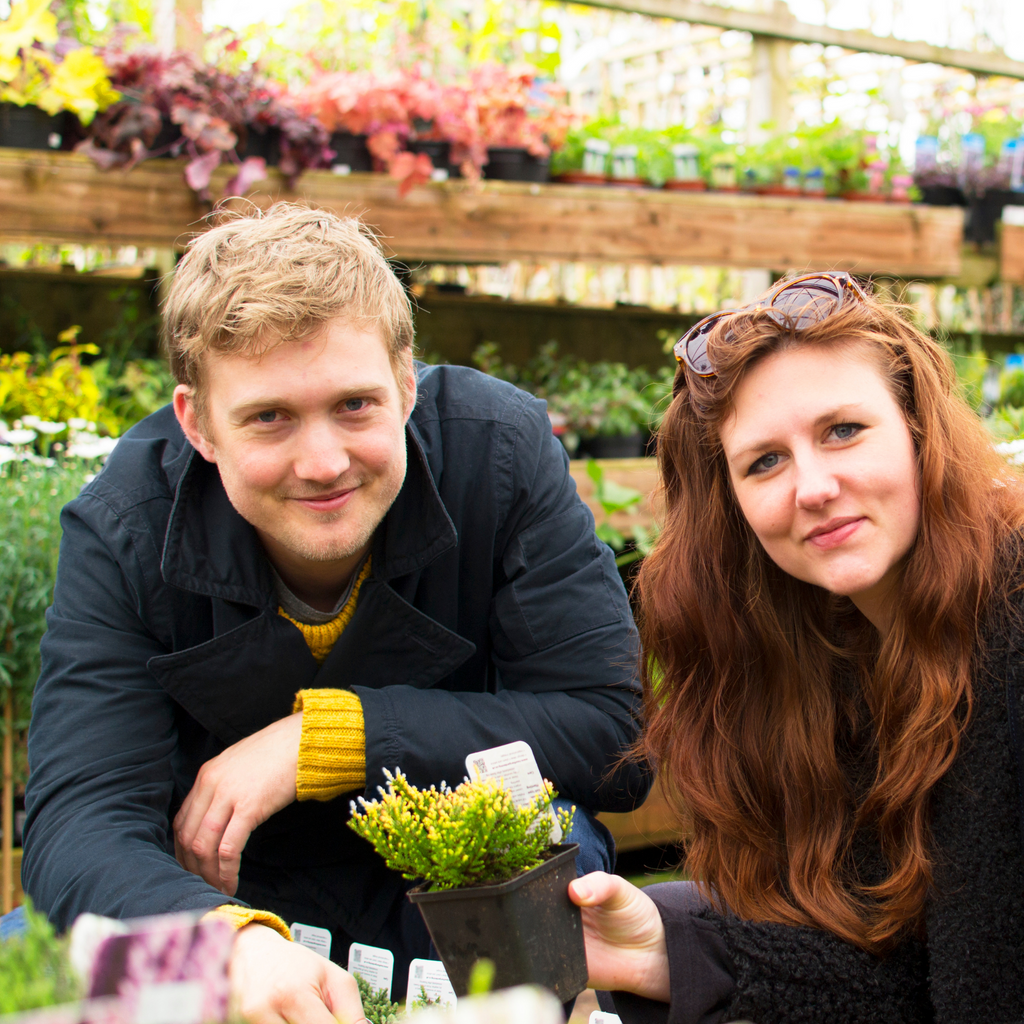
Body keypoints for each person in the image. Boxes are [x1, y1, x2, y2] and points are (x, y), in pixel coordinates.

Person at [22, 203, 649, 1022]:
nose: (322, 463)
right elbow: (80, 817)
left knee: (548, 827)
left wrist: (328, 741)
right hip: (228, 885)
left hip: (462, 877)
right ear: (197, 422)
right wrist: (223, 945)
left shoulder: (499, 452)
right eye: (269, 417)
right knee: (29, 948)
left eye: (355, 405)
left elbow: (612, 738)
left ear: (407, 384)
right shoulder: (124, 524)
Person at [568, 273, 1024, 1023]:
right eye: (765, 462)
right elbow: (914, 982)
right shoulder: (841, 668)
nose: (812, 486)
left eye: (843, 430)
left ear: (919, 432)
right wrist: (670, 948)